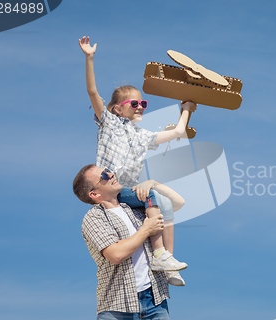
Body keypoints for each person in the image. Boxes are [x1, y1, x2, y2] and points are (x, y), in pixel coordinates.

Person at [79, 35, 197, 286]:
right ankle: (159, 253)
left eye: (143, 103)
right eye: (134, 103)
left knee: (162, 201)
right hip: (111, 189)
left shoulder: (144, 136)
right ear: (117, 108)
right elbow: (92, 91)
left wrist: (186, 108)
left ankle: (168, 258)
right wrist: (89, 58)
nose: (141, 106)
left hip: (127, 190)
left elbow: (177, 133)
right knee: (152, 196)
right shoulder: (108, 124)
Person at [73, 164, 183, 320]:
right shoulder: (94, 218)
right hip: (117, 306)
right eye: (104, 175)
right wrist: (147, 229)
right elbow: (116, 254)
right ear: (94, 194)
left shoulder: (137, 208)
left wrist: (153, 184)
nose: (111, 174)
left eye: (108, 170)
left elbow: (176, 203)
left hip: (155, 300)